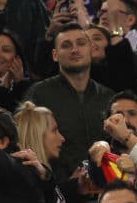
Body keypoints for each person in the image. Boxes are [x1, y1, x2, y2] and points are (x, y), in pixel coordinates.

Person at [25, 23, 113, 179]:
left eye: (81, 43)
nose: (75, 50)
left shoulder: (108, 97)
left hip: (106, 189)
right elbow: (29, 143)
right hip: (56, 190)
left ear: (92, 49)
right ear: (55, 55)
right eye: (66, 45)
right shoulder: (38, 95)